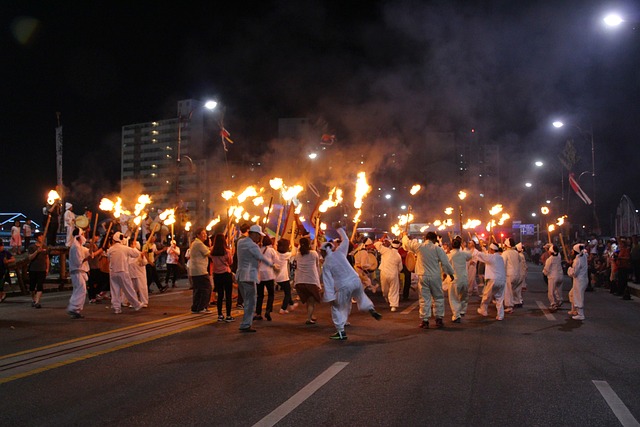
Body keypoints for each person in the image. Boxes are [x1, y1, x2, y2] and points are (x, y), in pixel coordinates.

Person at [321, 228, 382, 340]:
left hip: (343, 285)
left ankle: (340, 332)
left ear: (323, 251)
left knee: (337, 307)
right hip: (355, 280)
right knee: (360, 296)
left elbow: (328, 282)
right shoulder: (339, 253)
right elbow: (346, 241)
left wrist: (330, 297)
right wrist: (340, 230)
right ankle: (370, 308)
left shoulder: (326, 264)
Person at [403, 231, 454, 329]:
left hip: (423, 276)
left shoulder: (419, 247)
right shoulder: (438, 249)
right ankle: (438, 319)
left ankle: (425, 320)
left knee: (424, 299)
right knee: (438, 298)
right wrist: (450, 274)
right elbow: (445, 263)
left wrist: (404, 235)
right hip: (435, 276)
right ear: (434, 239)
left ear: (426, 238)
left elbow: (407, 243)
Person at [236, 225, 277, 333]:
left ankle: (245, 323)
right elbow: (261, 257)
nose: (259, 238)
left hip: (240, 275)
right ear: (254, 234)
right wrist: (272, 266)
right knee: (251, 302)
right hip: (249, 276)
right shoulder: (253, 245)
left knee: (247, 301)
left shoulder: (240, 242)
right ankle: (246, 324)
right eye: (259, 235)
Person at [107, 232, 143, 314]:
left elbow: (109, 258)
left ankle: (116, 308)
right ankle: (136, 305)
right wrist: (134, 247)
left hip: (113, 272)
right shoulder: (125, 248)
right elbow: (136, 254)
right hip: (122, 271)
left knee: (114, 290)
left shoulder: (111, 249)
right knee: (129, 289)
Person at [293, 237, 322, 325]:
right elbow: (317, 266)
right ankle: (309, 318)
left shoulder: (297, 255)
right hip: (311, 280)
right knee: (311, 301)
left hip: (300, 281)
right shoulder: (314, 253)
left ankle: (311, 315)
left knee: (308, 300)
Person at [474, 241, 506, 320]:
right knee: (499, 298)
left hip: (492, 280)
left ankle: (483, 310)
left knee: (486, 296)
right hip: (502, 280)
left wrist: (474, 249)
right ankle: (500, 315)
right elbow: (486, 256)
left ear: (491, 250)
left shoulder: (491, 257)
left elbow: (481, 255)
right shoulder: (500, 257)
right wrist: (484, 250)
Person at [67, 228, 92, 318]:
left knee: (79, 290)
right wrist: (87, 258)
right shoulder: (76, 247)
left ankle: (75, 309)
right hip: (77, 272)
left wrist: (91, 251)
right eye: (83, 235)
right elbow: (78, 262)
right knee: (80, 290)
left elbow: (87, 252)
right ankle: (73, 308)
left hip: (79, 272)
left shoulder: (79, 246)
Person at [373, 237, 403, 312]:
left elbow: (376, 244)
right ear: (398, 247)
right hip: (393, 274)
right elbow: (400, 268)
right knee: (394, 290)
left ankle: (387, 298)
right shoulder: (398, 256)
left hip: (384, 273)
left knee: (384, 290)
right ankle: (393, 305)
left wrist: (382, 239)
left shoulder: (385, 250)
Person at [189, 228, 214, 314]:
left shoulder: (196, 243)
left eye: (205, 233)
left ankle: (196, 307)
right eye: (203, 234)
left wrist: (211, 246)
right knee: (207, 288)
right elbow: (210, 254)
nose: (205, 235)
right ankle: (202, 307)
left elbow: (208, 249)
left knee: (198, 289)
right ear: (198, 235)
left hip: (195, 270)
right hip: (200, 270)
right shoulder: (198, 244)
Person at [211, 233, 235, 322]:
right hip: (226, 273)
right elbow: (230, 262)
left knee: (220, 295)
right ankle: (228, 315)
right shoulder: (227, 251)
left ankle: (220, 314)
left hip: (217, 275)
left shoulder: (212, 251)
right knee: (228, 295)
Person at [447, 238, 472, 323]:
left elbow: (445, 266)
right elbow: (470, 256)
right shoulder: (464, 253)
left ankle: (456, 315)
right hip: (464, 278)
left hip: (454, 279)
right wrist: (464, 247)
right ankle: (462, 311)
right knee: (464, 296)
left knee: (454, 298)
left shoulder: (450, 255)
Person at [255, 235, 279, 321]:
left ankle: (258, 313)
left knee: (260, 295)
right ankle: (268, 311)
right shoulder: (271, 250)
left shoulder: (258, 250)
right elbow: (276, 261)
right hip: (269, 274)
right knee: (271, 294)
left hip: (259, 275)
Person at [27, 232, 49, 308]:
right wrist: (37, 251)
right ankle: (33, 299)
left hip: (42, 269)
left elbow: (47, 258)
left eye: (42, 236)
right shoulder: (32, 247)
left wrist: (47, 268)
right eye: (40, 236)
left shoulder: (45, 247)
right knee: (32, 287)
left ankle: (37, 302)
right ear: (36, 238)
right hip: (33, 269)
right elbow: (30, 258)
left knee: (40, 285)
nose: (42, 237)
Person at [568, 243, 588, 320]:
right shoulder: (583, 256)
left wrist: (569, 268)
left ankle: (580, 314)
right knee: (572, 294)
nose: (572, 252)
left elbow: (574, 273)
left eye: (573, 250)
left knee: (578, 296)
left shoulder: (578, 260)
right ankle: (574, 310)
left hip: (580, 280)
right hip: (582, 280)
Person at [275, 238, 296, 314]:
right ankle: (283, 308)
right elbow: (294, 252)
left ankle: (291, 304)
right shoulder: (286, 255)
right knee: (287, 292)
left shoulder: (276, 253)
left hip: (276, 277)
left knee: (287, 291)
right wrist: (293, 245)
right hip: (283, 277)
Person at [502, 238, 522, 314]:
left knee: (508, 291)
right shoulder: (516, 253)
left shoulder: (506, 253)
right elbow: (519, 261)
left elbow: (503, 264)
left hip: (509, 274)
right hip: (517, 274)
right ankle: (514, 302)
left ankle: (509, 306)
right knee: (513, 290)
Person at [128, 238, 148, 308]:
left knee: (142, 288)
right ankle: (134, 302)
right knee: (132, 289)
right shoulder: (128, 255)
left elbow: (144, 263)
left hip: (139, 274)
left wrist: (142, 257)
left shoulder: (140, 254)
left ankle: (144, 301)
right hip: (131, 274)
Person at [543, 245, 564, 311]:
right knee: (558, 290)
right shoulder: (559, 257)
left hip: (553, 277)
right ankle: (559, 300)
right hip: (560, 275)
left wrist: (544, 273)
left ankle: (553, 304)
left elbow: (546, 269)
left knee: (551, 291)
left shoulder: (550, 259)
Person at [515, 242, 527, 306]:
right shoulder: (522, 255)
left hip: (520, 274)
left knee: (517, 289)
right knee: (519, 289)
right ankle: (519, 300)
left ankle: (518, 301)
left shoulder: (519, 256)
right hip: (522, 274)